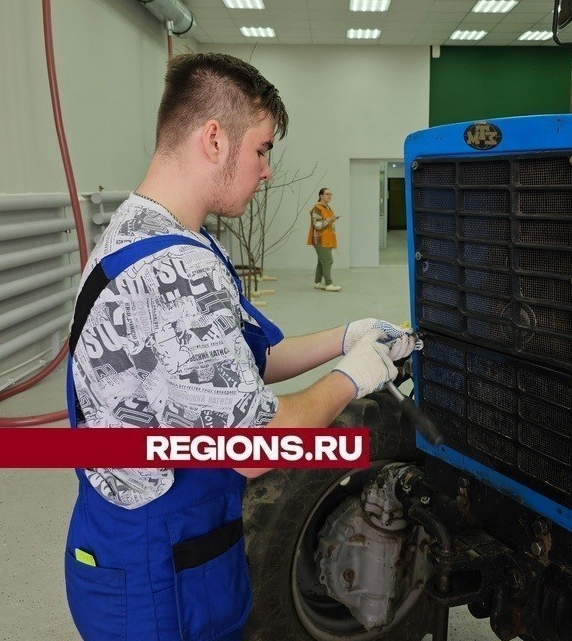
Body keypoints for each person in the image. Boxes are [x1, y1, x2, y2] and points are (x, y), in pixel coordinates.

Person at [64, 53, 419, 641]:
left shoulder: (153, 233)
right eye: (261, 149)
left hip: (149, 551)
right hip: (159, 582)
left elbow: (242, 363)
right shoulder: (175, 274)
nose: (267, 170)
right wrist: (356, 376)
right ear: (213, 140)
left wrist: (344, 337)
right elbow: (259, 447)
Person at [308, 187, 341, 291]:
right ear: (321, 196)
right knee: (328, 261)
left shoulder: (327, 208)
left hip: (327, 238)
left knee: (321, 261)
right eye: (327, 194)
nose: (329, 196)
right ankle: (328, 284)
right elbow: (317, 225)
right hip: (320, 239)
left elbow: (327, 222)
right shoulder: (317, 208)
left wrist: (332, 220)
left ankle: (317, 283)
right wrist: (329, 220)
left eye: (331, 194)